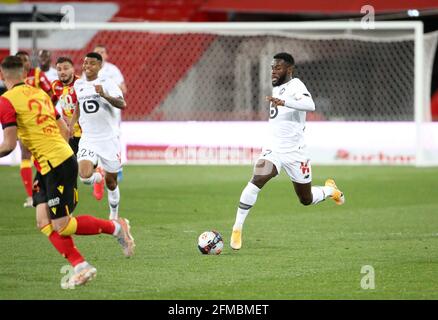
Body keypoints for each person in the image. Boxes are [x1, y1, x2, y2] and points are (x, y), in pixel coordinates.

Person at [0, 56, 135, 287]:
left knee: (63, 225)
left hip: (56, 164)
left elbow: (9, 145)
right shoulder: (39, 93)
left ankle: (116, 228)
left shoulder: (6, 101)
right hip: (49, 162)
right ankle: (81, 266)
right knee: (43, 221)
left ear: (3, 76)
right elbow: (63, 128)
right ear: (24, 73)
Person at [230, 52, 345, 250]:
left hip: (296, 153)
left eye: (278, 68)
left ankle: (330, 190)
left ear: (289, 70)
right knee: (258, 178)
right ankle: (237, 229)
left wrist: (285, 102)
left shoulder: (296, 85)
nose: (274, 71)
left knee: (305, 199)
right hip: (273, 149)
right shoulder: (277, 88)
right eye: (272, 68)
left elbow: (310, 105)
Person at [72, 52, 126, 220]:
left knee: (112, 182)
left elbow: (122, 104)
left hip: (108, 139)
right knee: (84, 176)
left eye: (92, 64)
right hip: (88, 138)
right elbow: (78, 106)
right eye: (85, 63)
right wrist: (70, 124)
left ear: (100, 66)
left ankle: (114, 214)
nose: (87, 66)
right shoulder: (78, 85)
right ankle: (99, 176)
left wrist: (104, 95)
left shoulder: (107, 83)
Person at [15, 51, 52, 208]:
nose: (25, 63)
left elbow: (50, 92)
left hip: (38, 121)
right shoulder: (14, 79)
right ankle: (31, 196)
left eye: (26, 60)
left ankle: (44, 191)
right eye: (21, 60)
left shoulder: (37, 74)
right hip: (22, 121)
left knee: (41, 155)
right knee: (25, 154)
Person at [93, 44, 127, 182]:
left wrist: (107, 88)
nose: (100, 54)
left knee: (113, 138)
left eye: (102, 52)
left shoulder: (113, 70)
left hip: (111, 112)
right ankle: (99, 169)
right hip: (96, 112)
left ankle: (117, 169)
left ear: (106, 55)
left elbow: (123, 89)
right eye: (97, 52)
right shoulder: (88, 70)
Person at [51, 56, 81, 154]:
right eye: (59, 69)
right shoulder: (55, 85)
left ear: (73, 69)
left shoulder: (80, 83)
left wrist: (71, 124)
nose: (62, 72)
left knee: (87, 166)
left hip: (84, 132)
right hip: (68, 133)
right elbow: (50, 105)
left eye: (66, 68)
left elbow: (81, 106)